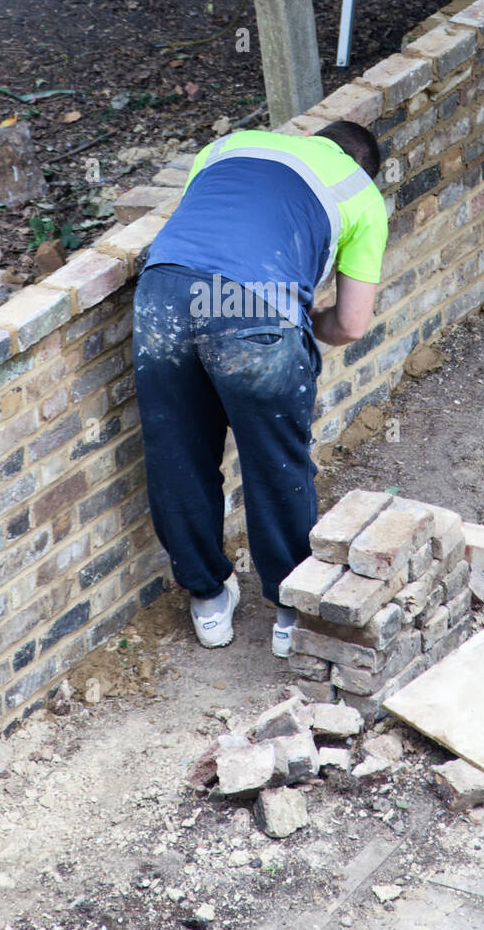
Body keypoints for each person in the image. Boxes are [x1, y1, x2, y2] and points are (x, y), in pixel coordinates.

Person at [132, 119, 388, 656]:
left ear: (313, 138)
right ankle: (290, 611)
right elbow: (351, 325)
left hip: (163, 292)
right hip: (254, 305)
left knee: (176, 449)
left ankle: (207, 600)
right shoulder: (360, 194)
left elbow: (205, 236)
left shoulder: (227, 145)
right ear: (364, 167)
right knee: (275, 459)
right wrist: (296, 319)